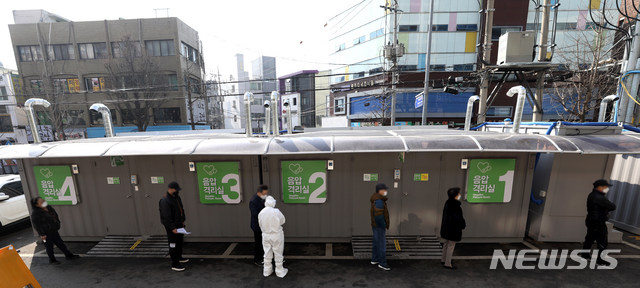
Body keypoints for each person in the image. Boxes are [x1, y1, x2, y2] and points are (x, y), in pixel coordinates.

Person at [30, 197, 80, 265]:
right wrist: (42, 234)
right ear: (37, 205)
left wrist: (57, 223)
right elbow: (36, 225)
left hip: (53, 230)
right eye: (41, 202)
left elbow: (55, 215)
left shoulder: (49, 207)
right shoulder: (36, 213)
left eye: (43, 200)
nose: (44, 202)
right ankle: (52, 259)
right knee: (49, 246)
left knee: (60, 243)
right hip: (45, 233)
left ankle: (68, 255)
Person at [582, 179, 617, 267]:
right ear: (600, 187)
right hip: (598, 222)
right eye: (606, 187)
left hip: (591, 220)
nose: (607, 189)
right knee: (602, 241)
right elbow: (613, 206)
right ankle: (600, 260)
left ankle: (585, 254)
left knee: (589, 238)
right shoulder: (600, 197)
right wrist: (605, 209)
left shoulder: (592, 195)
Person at [159, 181, 188, 272]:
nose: (177, 191)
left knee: (179, 242)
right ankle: (175, 264)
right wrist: (172, 228)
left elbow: (181, 210)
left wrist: (182, 220)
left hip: (179, 224)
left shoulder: (176, 198)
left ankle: (179, 257)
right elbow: (166, 216)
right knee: (173, 244)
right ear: (170, 189)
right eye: (175, 190)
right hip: (172, 227)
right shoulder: (165, 201)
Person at [258, 196, 288, 278]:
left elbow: (260, 224)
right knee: (278, 252)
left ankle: (267, 271)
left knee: (267, 252)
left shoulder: (261, 212)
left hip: (265, 235)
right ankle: (279, 271)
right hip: (276, 234)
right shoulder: (276, 211)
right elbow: (282, 221)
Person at [440, 187, 466, 270]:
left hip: (446, 228)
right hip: (453, 230)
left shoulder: (447, 203)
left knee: (446, 244)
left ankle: (443, 259)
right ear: (455, 195)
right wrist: (463, 225)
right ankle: (448, 263)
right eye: (458, 194)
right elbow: (458, 219)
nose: (459, 195)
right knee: (451, 246)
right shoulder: (456, 206)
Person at [370, 183, 390, 271]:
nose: (386, 191)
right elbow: (378, 215)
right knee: (381, 243)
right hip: (379, 226)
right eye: (385, 190)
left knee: (376, 241)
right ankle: (382, 263)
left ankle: (375, 259)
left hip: (375, 225)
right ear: (380, 191)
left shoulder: (377, 199)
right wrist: (384, 224)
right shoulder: (379, 201)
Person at [250, 185, 269, 266]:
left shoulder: (263, 199)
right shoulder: (254, 201)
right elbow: (255, 214)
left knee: (264, 242)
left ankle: (264, 257)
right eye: (264, 194)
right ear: (259, 192)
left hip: (264, 225)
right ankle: (257, 259)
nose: (266, 195)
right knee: (258, 243)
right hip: (258, 226)